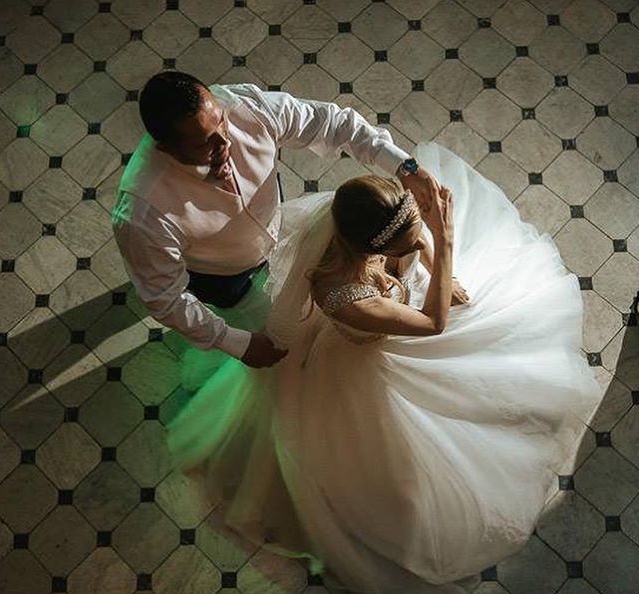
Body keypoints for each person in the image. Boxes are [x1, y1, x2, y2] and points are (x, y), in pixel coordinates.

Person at [165, 141, 599, 594]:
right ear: (371, 250)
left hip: (390, 306)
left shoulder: (358, 216)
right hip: (364, 361)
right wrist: (445, 241)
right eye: (405, 246)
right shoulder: (347, 298)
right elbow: (431, 324)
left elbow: (415, 242)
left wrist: (433, 262)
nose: (418, 244)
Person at [110, 71, 452, 385]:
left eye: (223, 125)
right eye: (205, 144)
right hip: (223, 275)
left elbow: (334, 123)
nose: (226, 145)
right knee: (244, 310)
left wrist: (404, 166)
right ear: (166, 149)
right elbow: (165, 298)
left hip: (279, 226)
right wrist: (238, 344)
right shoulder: (144, 214)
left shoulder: (248, 108)